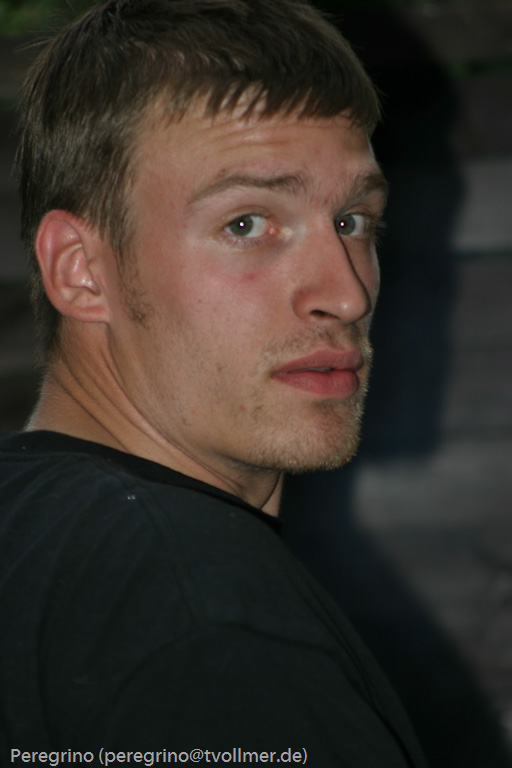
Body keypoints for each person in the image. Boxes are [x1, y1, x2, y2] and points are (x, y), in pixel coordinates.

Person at [1, 0, 426, 765]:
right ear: (81, 270)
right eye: (246, 224)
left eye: (353, 221)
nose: (346, 294)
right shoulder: (201, 610)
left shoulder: (33, 538)